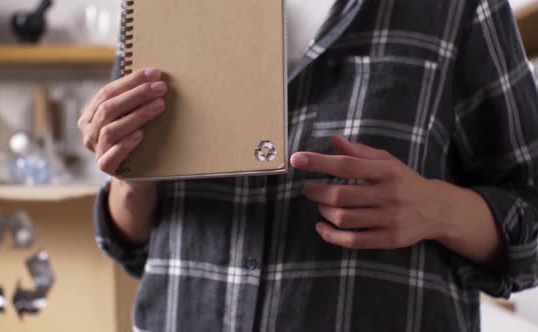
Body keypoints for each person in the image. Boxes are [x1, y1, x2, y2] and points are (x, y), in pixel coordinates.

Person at [77, 0, 538, 331]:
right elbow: (131, 245)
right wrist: (130, 176)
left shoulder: (455, 8)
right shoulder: (165, 9)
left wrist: (438, 209)